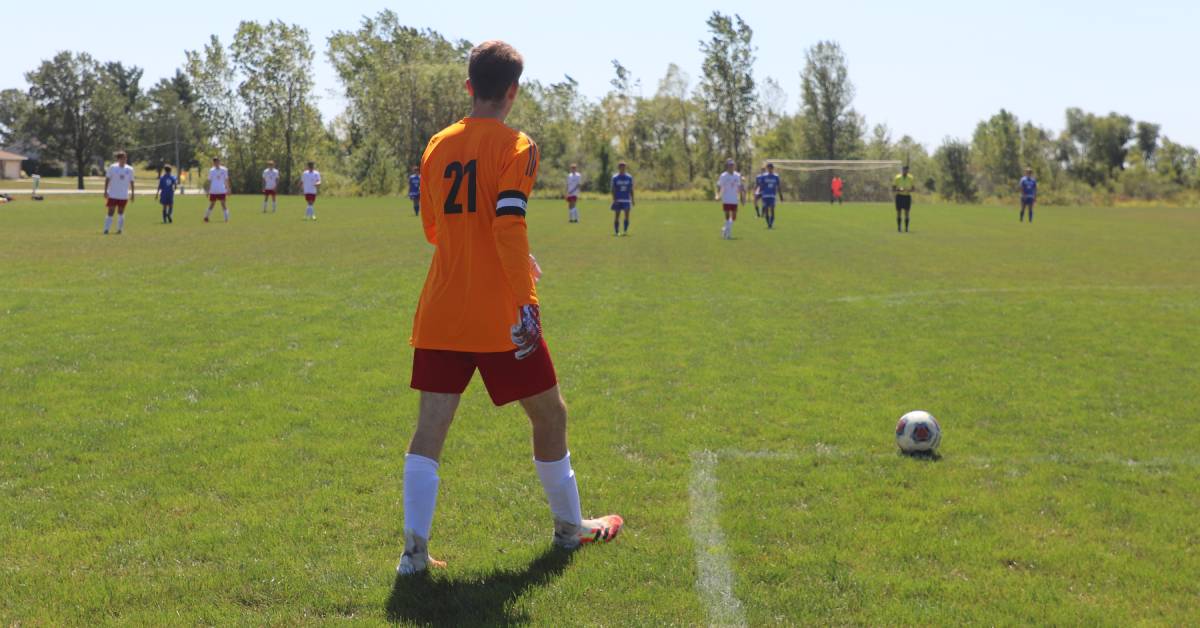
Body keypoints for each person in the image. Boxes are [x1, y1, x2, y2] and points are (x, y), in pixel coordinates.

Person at [400, 39, 623, 575]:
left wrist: (511, 254)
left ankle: (412, 555)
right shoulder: (518, 145)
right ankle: (570, 530)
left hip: (443, 306)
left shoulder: (436, 145)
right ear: (513, 93)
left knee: (431, 427)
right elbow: (506, 221)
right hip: (501, 312)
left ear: (469, 86)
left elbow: (435, 228)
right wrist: (524, 294)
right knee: (550, 414)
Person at [103, 151, 135, 235]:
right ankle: (106, 229)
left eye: (125, 157)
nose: (125, 159)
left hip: (123, 195)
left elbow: (132, 182)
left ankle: (119, 229)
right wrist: (105, 191)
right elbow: (107, 179)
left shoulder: (130, 169)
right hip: (113, 194)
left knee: (121, 212)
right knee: (110, 212)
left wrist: (132, 194)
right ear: (118, 159)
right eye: (123, 158)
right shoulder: (112, 167)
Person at [716, 159, 745, 240]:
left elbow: (740, 187)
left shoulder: (737, 175)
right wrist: (718, 195)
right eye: (730, 165)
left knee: (734, 217)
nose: (731, 167)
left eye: (733, 165)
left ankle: (725, 229)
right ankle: (728, 234)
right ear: (727, 166)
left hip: (734, 199)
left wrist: (742, 198)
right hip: (726, 198)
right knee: (727, 216)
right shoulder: (723, 176)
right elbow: (719, 186)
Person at [203, 157, 231, 223]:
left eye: (217, 161)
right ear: (213, 163)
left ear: (219, 162)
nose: (216, 163)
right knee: (212, 204)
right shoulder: (211, 170)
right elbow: (209, 181)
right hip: (213, 190)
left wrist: (228, 189)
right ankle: (206, 217)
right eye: (215, 162)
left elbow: (226, 180)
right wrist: (207, 191)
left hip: (221, 190)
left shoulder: (224, 170)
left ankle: (226, 218)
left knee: (223, 204)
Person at [611, 161, 633, 236]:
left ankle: (625, 230)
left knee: (627, 215)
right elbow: (613, 189)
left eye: (624, 167)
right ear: (619, 168)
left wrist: (632, 199)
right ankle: (617, 231)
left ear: (625, 168)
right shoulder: (615, 177)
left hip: (626, 199)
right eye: (621, 167)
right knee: (617, 215)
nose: (622, 168)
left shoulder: (629, 177)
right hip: (618, 199)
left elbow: (631, 188)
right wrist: (614, 199)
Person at [758, 162, 783, 229]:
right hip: (765, 195)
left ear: (773, 168)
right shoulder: (763, 176)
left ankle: (770, 224)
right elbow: (761, 186)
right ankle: (768, 223)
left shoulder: (776, 176)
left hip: (772, 195)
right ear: (767, 168)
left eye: (771, 168)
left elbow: (778, 186)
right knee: (766, 210)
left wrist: (780, 195)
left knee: (772, 209)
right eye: (768, 168)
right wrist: (759, 194)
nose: (770, 169)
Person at [892, 165, 916, 233]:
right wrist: (899, 189)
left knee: (907, 213)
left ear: (908, 171)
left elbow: (913, 189)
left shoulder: (911, 178)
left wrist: (909, 190)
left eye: (906, 170)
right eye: (904, 170)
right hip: (899, 196)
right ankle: (899, 228)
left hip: (907, 197)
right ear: (902, 170)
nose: (905, 171)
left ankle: (906, 228)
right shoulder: (897, 177)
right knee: (899, 212)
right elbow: (893, 188)